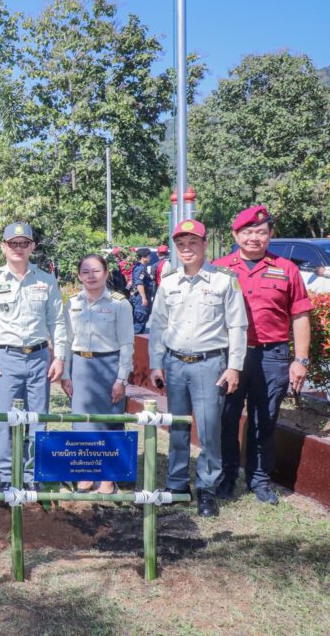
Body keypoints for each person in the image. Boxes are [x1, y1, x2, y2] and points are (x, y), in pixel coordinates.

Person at [213, 206, 313, 505]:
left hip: (272, 356)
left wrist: (301, 360)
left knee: (265, 418)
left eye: (261, 231)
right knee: (227, 417)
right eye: (247, 232)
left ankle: (259, 478)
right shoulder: (219, 268)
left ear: (270, 235)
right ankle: (227, 475)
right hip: (231, 356)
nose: (254, 237)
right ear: (236, 235)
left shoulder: (286, 269)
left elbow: (300, 315)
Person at [148, 218, 248, 518]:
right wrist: (156, 363)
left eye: (193, 242)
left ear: (205, 244)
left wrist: (234, 366)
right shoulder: (169, 282)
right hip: (175, 363)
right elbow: (158, 326)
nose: (187, 248)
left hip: (210, 364)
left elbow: (237, 325)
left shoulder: (224, 280)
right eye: (181, 244)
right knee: (177, 427)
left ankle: (206, 488)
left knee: (208, 429)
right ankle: (177, 484)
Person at [0, 222, 68, 493]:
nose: (18, 248)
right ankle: (7, 475)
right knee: (5, 419)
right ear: (4, 247)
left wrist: (59, 357)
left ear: (32, 247)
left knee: (38, 419)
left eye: (24, 243)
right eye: (13, 243)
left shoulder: (46, 280)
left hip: (39, 357)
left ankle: (33, 473)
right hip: (5, 358)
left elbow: (57, 322)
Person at [60, 254, 135, 495]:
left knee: (110, 422)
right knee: (82, 422)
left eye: (96, 271)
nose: (91, 276)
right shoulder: (72, 303)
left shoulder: (119, 303)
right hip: (81, 366)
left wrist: (121, 379)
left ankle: (108, 478)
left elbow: (127, 344)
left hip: (109, 365)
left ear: (106, 273)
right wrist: (66, 374)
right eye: (85, 271)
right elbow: (67, 341)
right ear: (79, 275)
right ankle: (86, 473)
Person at [130, 247, 154, 334]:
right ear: (144, 257)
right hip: (140, 298)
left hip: (143, 297)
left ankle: (139, 339)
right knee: (139, 321)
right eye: (149, 256)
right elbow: (139, 284)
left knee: (143, 320)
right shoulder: (140, 268)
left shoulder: (142, 267)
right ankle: (136, 341)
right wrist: (143, 298)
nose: (150, 257)